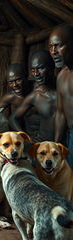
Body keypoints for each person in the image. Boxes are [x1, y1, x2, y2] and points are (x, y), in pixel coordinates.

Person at [10, 50, 56, 143]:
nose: (36, 74)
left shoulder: (62, 87)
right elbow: (13, 118)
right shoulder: (35, 96)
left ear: (51, 67)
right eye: (33, 70)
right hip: (44, 147)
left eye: (40, 68)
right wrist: (26, 137)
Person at [0, 64, 39, 139]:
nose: (15, 85)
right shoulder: (12, 97)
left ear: (26, 77)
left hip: (48, 135)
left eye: (18, 80)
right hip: (29, 137)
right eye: (10, 82)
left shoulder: (39, 90)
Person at [49, 24, 73, 168]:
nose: (53, 52)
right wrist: (56, 144)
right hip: (70, 137)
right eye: (51, 47)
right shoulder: (61, 76)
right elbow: (60, 112)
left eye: (58, 46)